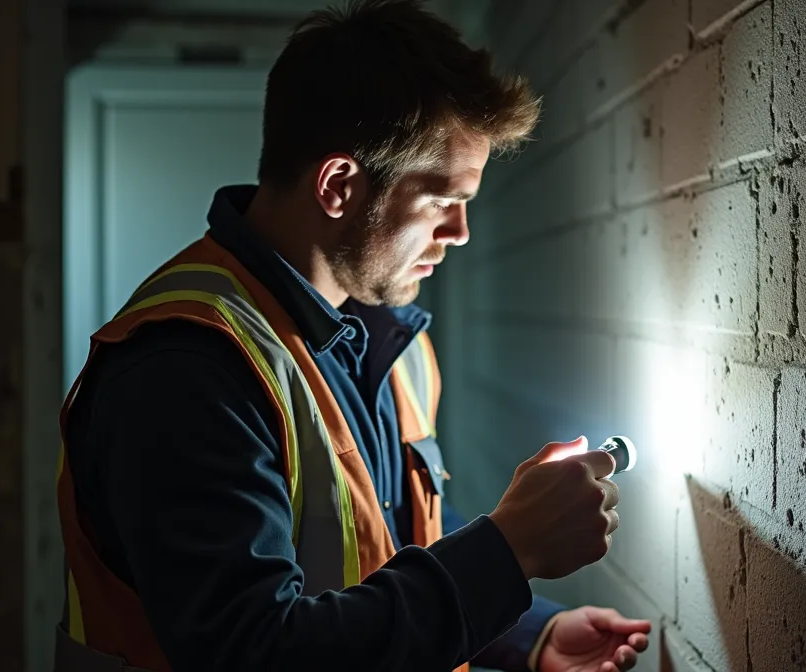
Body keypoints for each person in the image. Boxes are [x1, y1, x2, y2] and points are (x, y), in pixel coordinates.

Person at [54, 1, 652, 670]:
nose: (460, 232)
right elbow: (258, 652)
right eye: (443, 201)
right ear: (339, 185)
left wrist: (529, 633)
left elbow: (399, 536)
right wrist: (509, 553)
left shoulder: (391, 342)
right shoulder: (186, 368)